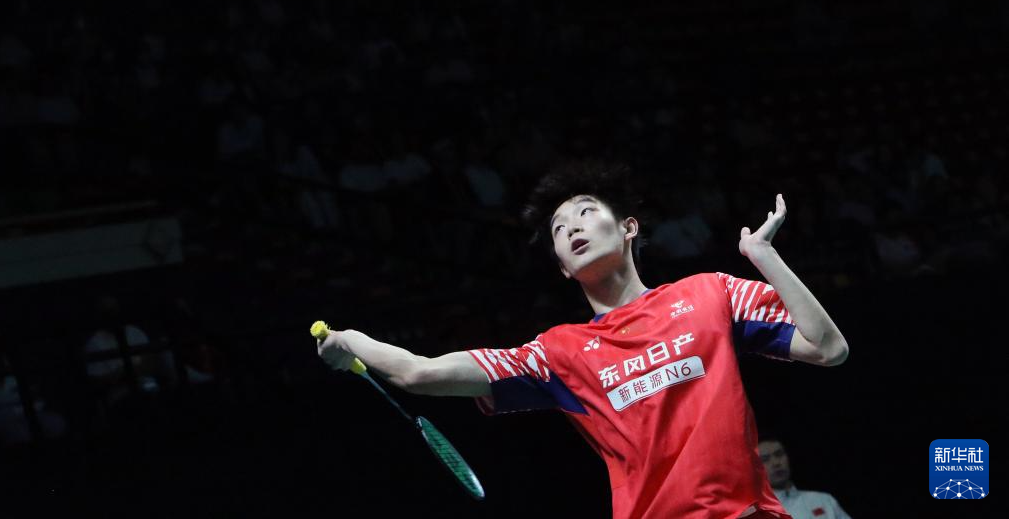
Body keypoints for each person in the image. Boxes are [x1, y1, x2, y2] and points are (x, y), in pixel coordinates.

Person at [317, 161, 849, 518]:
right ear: (563, 269)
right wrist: (350, 340)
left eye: (586, 212)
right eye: (558, 228)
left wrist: (764, 257)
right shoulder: (558, 354)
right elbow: (419, 372)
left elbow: (828, 348)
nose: (572, 227)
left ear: (629, 228)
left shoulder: (711, 294)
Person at [758, 438, 852, 519]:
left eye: (779, 454)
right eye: (765, 459)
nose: (776, 463)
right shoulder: (757, 513)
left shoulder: (824, 500)